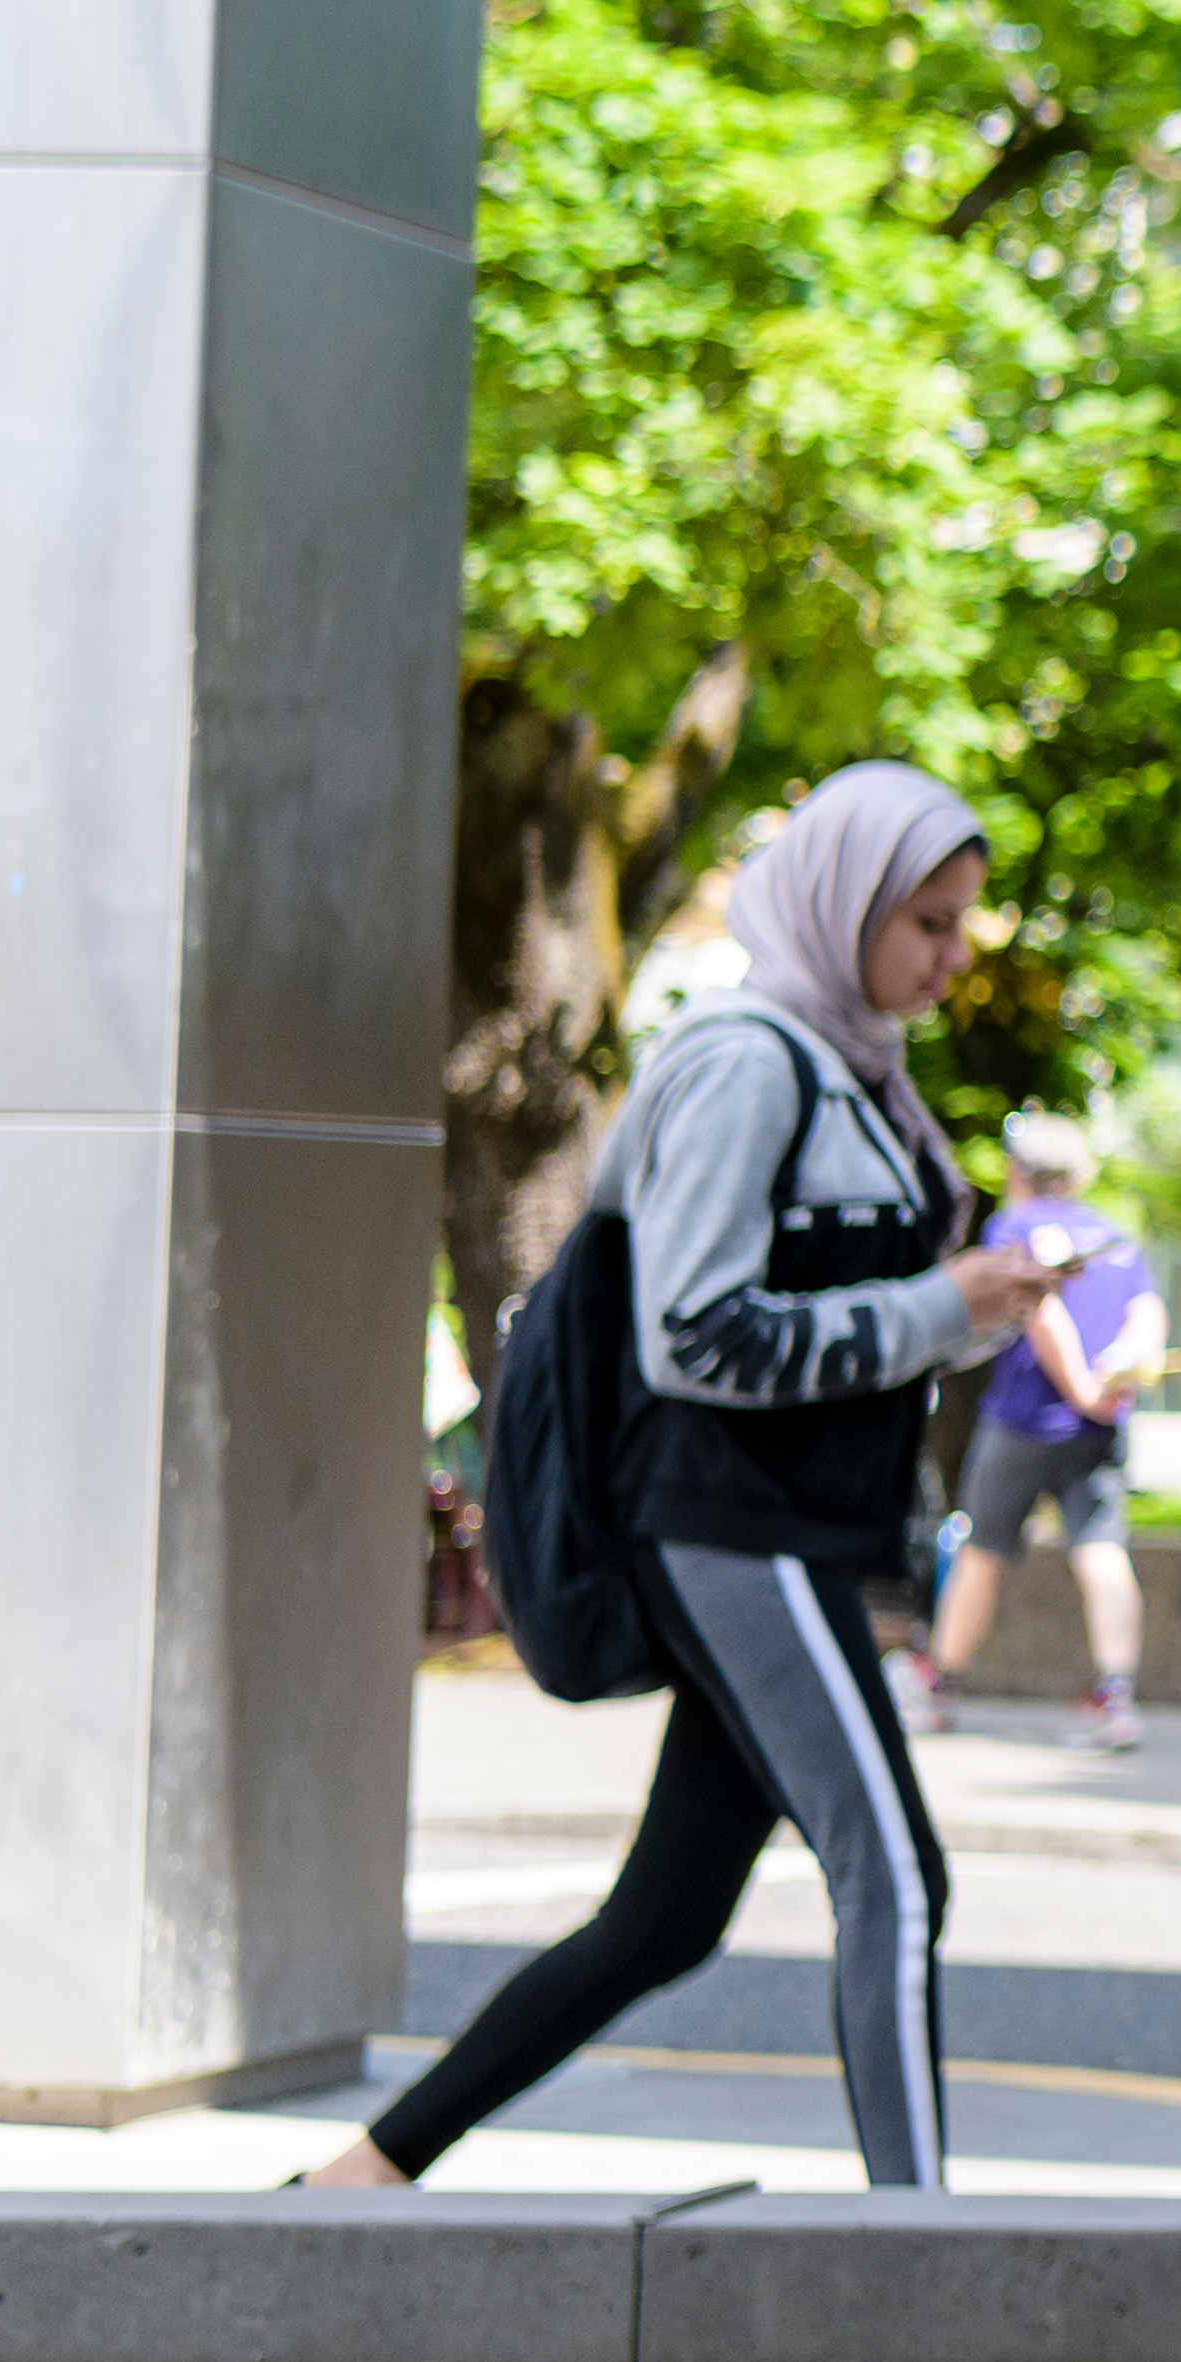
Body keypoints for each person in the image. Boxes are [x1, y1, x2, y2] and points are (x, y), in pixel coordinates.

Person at [317, 766, 1041, 2196]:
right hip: (728, 1527)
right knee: (892, 1876)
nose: (954, 955)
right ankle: (924, 2251)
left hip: (786, 1533)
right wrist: (937, 1306)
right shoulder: (744, 1062)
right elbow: (700, 1335)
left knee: (664, 1918)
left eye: (960, 923)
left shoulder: (855, 1070)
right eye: (928, 921)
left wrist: (964, 1301)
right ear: (845, 905)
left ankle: (366, 2176)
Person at [909, 1114, 1164, 1751]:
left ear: (1016, 1173)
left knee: (983, 1550)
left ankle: (938, 1685)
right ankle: (1116, 1694)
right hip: (1100, 1424)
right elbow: (1147, 1313)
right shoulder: (1115, 1237)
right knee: (1101, 1549)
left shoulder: (1015, 1226)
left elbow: (1037, 1307)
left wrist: (1077, 1383)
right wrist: (1113, 1380)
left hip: (1024, 1419)